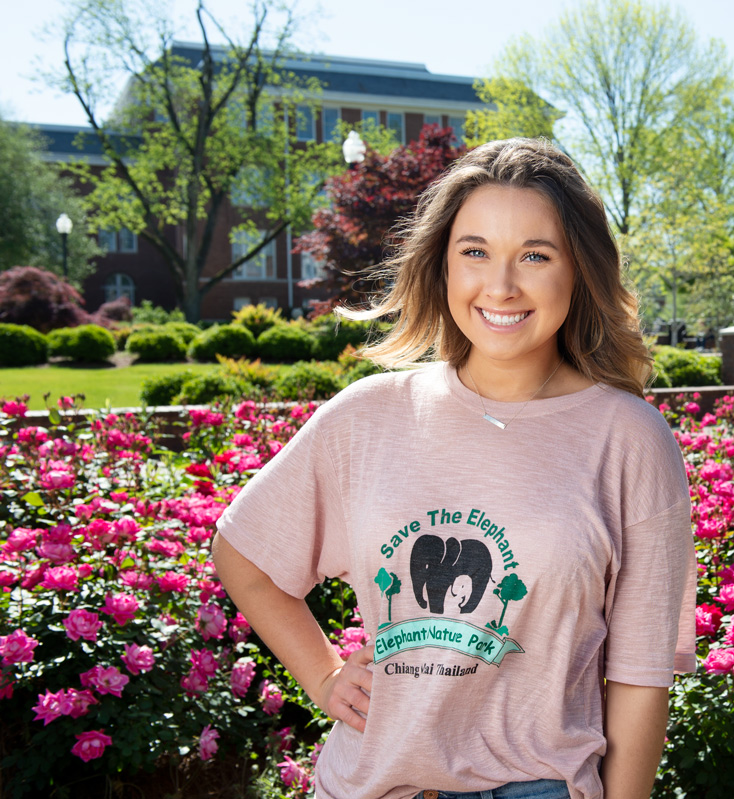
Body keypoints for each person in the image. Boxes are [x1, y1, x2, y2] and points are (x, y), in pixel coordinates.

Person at [212, 138, 695, 799]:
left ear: (577, 270)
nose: (500, 285)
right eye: (475, 252)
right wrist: (323, 675)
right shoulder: (367, 416)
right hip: (372, 783)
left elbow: (641, 675)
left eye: (535, 254)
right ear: (442, 266)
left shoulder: (632, 440)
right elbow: (244, 554)